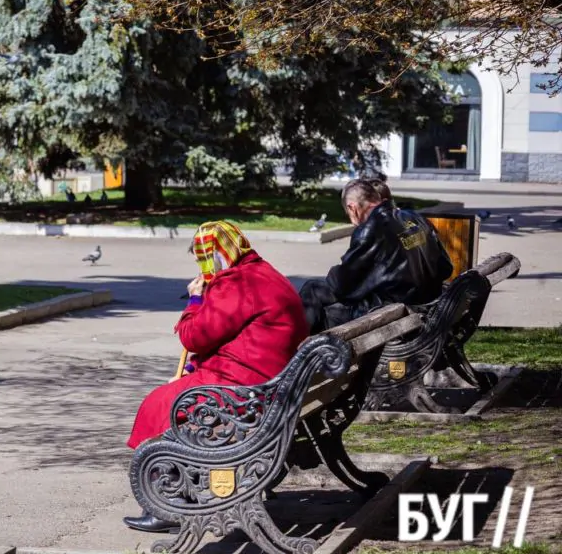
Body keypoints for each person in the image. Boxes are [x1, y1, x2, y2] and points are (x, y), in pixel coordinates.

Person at [122, 221, 309, 534]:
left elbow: (195, 337)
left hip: (245, 387)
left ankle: (166, 503)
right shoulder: (263, 272)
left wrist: (195, 299)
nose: (201, 266)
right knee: (171, 396)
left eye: (202, 258)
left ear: (217, 255)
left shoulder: (236, 283)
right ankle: (173, 493)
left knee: (161, 404)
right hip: (269, 380)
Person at [298, 180, 454, 334]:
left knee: (312, 290)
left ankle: (298, 353)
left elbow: (341, 286)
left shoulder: (371, 229)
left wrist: (336, 272)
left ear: (353, 208)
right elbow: (446, 268)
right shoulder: (415, 218)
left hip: (391, 318)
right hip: (427, 308)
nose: (353, 223)